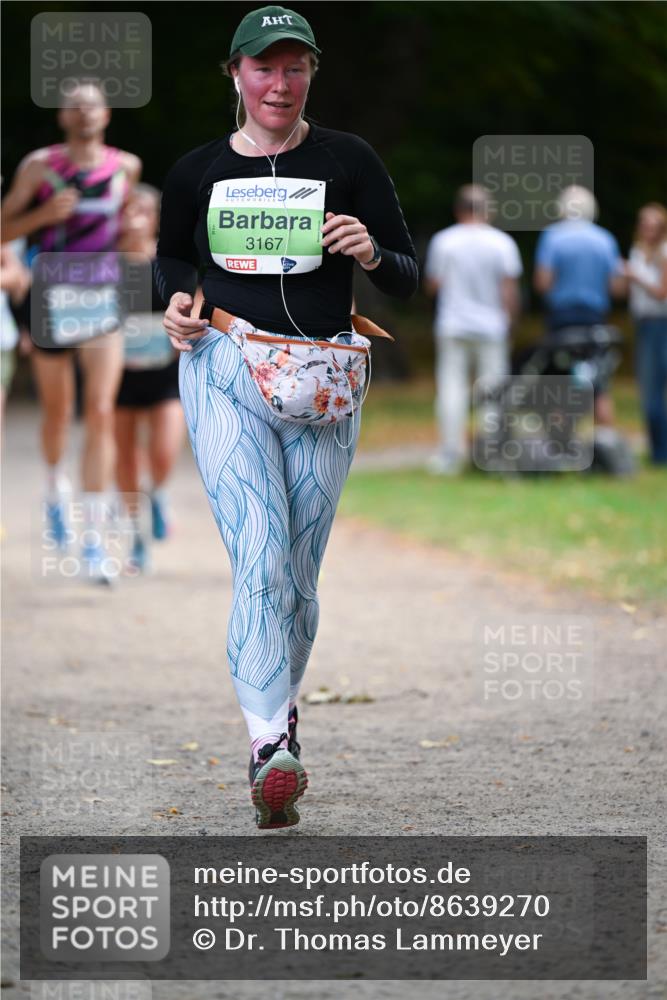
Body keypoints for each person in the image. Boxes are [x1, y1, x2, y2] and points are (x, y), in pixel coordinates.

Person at [156, 5, 418, 829]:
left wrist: (370, 252)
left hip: (324, 381)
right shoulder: (197, 169)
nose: (280, 82)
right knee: (260, 557)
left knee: (298, 579)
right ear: (235, 75)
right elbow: (169, 258)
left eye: (294, 66)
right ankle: (269, 746)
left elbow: (409, 274)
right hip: (225, 368)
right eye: (264, 67)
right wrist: (175, 305)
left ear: (311, 74)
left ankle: (283, 712)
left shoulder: (348, 159)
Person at [0, 83, 141, 579]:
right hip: (50, 296)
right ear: (62, 115)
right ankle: (55, 485)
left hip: (104, 295)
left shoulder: (126, 167)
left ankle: (95, 540)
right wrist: (42, 215)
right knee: (58, 413)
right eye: (75, 106)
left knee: (101, 411)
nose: (84, 114)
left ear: (106, 114)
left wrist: (137, 237)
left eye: (93, 106)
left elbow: (128, 231)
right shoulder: (39, 167)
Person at [424, 184, 522, 474]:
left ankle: (450, 455)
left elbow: (433, 285)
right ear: (487, 210)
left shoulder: (444, 241)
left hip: (453, 323)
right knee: (493, 390)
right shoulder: (502, 243)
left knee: (451, 389)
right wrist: (511, 323)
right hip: (492, 326)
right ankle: (491, 453)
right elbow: (509, 290)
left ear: (459, 209)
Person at [115, 185, 186, 571]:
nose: (132, 217)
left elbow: (199, 300)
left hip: (165, 373)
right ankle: (136, 538)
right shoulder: (102, 262)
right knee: (124, 459)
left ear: (155, 216)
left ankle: (158, 493)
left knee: (162, 451)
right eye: (125, 210)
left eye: (141, 209)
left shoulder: (172, 260)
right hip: (116, 378)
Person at [534, 185, 625, 426]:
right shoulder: (605, 239)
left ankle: (559, 446)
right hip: (594, 320)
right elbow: (616, 287)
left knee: (557, 384)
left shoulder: (552, 236)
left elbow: (543, 283)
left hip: (562, 320)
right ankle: (607, 442)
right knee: (599, 386)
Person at [624, 203, 667, 465]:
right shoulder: (637, 252)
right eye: (645, 225)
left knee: (656, 391)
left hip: (661, 324)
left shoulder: (665, 252)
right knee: (648, 392)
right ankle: (657, 452)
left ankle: (661, 453)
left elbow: (661, 293)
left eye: (654, 226)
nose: (648, 231)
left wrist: (635, 275)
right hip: (642, 324)